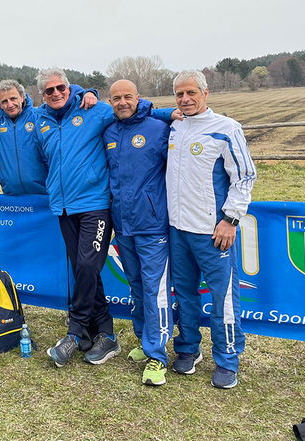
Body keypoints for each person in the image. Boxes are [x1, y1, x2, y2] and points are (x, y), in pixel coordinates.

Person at [37, 68, 177, 368]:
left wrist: (173, 113)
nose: (56, 93)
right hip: (63, 206)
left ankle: (75, 331)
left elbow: (130, 109)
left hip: (95, 204)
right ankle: (105, 334)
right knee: (82, 269)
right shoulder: (41, 120)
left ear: (69, 87)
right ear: (42, 96)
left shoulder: (95, 109)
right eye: (49, 91)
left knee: (88, 264)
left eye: (61, 87)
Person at [166, 70, 256, 389]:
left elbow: (244, 177)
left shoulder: (226, 128)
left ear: (206, 93)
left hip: (212, 232)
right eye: (179, 94)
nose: (186, 99)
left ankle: (227, 359)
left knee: (224, 299)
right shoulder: (174, 127)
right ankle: (189, 349)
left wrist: (230, 219)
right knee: (185, 295)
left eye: (191, 92)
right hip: (177, 230)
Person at [103, 80, 173, 386]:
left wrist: (171, 113)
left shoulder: (158, 128)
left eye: (127, 96)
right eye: (116, 98)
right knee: (135, 285)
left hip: (152, 224)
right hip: (123, 225)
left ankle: (158, 356)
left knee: (154, 289)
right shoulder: (109, 132)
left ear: (138, 98)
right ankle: (145, 341)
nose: (122, 102)